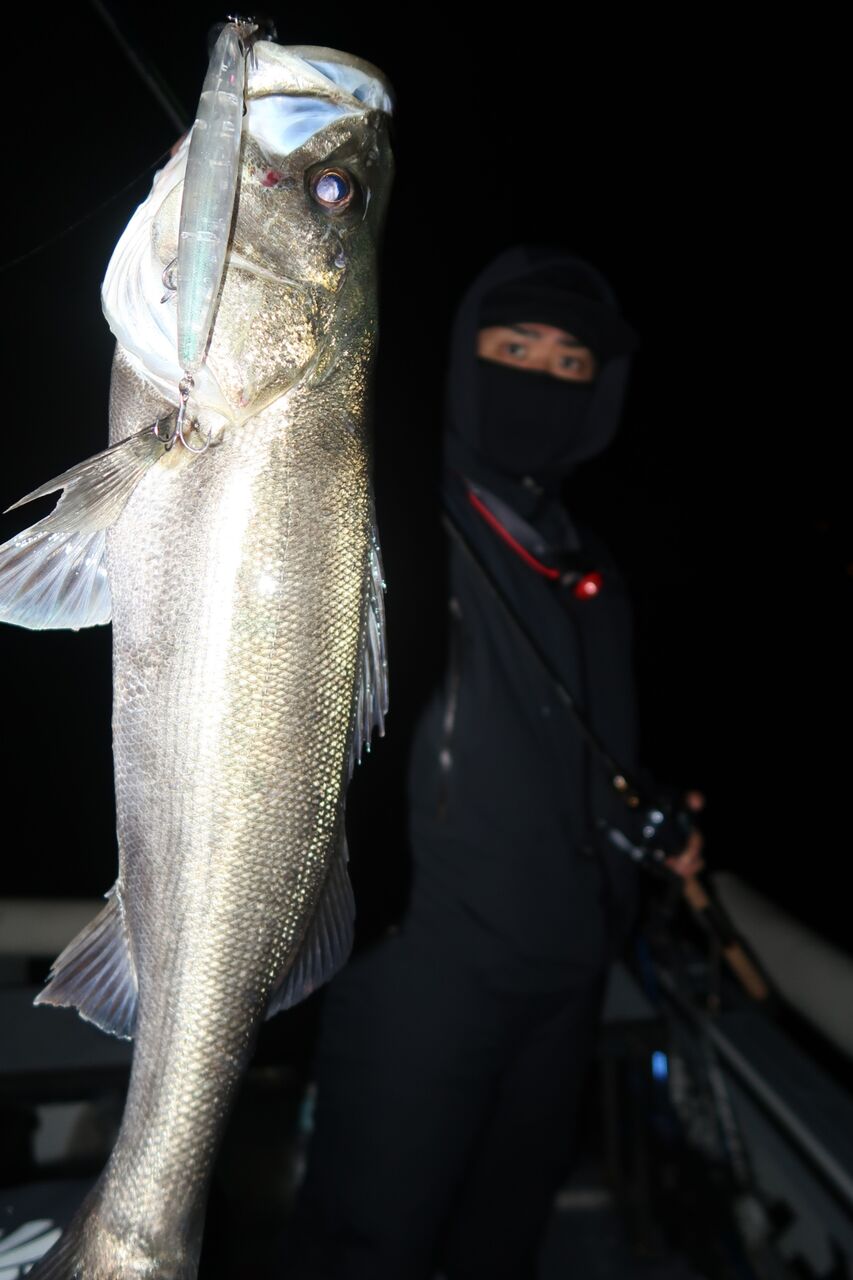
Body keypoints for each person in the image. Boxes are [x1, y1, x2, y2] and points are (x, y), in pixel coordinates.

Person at [285, 245, 704, 1280]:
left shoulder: (589, 566)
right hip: (419, 972)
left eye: (570, 364)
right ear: (464, 356)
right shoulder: (382, 515)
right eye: (515, 349)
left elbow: (581, 751)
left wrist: (650, 819)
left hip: (569, 973)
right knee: (367, 1246)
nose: (543, 377)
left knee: (502, 1242)